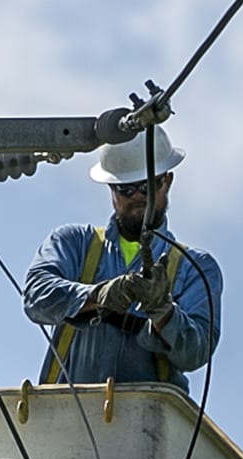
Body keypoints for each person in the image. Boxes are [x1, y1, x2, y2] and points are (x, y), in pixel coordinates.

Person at [22, 126, 222, 392]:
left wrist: (164, 312)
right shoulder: (74, 243)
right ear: (111, 189)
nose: (138, 197)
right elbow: (36, 297)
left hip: (149, 421)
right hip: (68, 417)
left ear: (167, 181)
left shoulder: (194, 267)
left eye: (147, 185)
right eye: (127, 189)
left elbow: (194, 353)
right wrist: (97, 295)